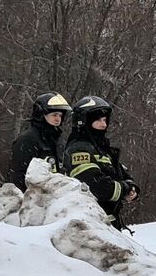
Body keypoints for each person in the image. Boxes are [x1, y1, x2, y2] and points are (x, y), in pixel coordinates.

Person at [63, 95, 136, 228]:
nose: (104, 124)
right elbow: (97, 187)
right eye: (98, 120)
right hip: (88, 226)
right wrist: (124, 189)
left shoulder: (103, 149)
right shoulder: (79, 149)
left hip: (107, 225)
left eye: (104, 120)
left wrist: (132, 188)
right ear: (83, 121)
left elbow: (123, 175)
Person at [10, 92, 71, 191]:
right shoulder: (27, 140)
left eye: (60, 115)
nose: (58, 119)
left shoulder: (59, 141)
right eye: (54, 115)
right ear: (41, 114)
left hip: (54, 198)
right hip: (32, 200)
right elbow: (18, 176)